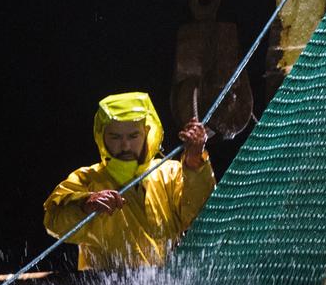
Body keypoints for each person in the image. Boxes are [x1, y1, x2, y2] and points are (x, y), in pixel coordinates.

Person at [43, 91, 215, 271]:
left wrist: (195, 162)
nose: (125, 145)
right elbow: (54, 221)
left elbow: (201, 217)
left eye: (133, 136)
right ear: (102, 136)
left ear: (147, 133)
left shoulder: (171, 172)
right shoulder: (85, 179)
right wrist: (84, 204)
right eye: (115, 137)